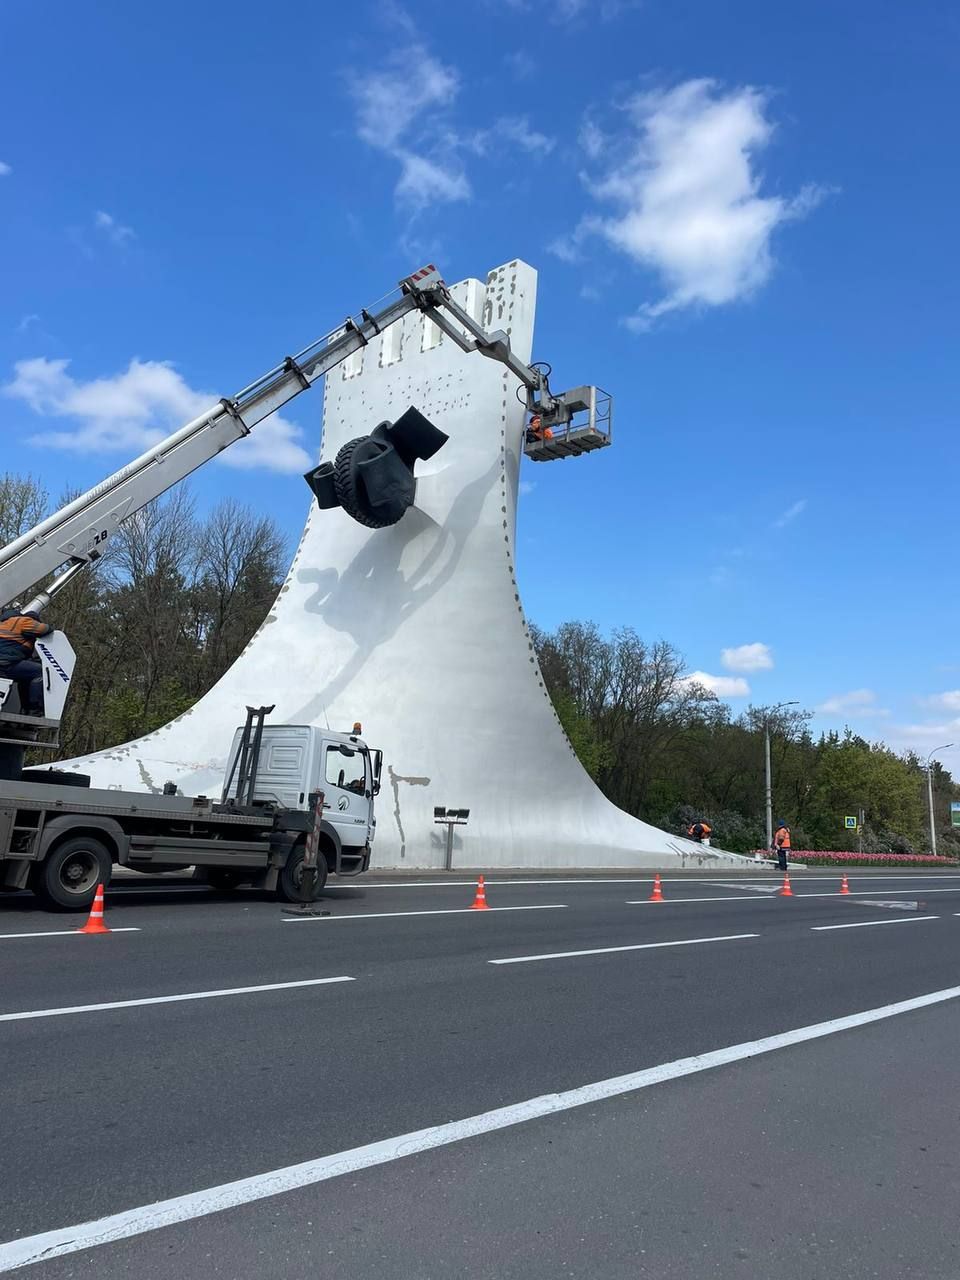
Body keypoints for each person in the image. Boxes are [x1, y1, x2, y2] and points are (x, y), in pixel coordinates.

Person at [0, 602, 53, 714]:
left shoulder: (3, 623)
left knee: (26, 676)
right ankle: (34, 708)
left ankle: (25, 709)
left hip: (4, 664)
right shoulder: (23, 621)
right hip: (7, 664)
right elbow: (45, 629)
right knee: (40, 672)